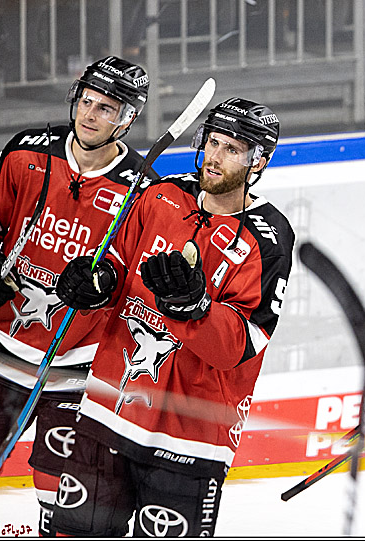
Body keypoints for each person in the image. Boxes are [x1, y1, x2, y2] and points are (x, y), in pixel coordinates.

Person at [49, 97, 294, 536]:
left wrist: (196, 310)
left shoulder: (267, 238)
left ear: (260, 161)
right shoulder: (163, 195)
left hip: (191, 436)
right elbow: (116, 263)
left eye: (232, 150)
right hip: (108, 412)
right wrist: (96, 282)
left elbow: (242, 345)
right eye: (213, 143)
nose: (215, 158)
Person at [0, 56, 153, 536]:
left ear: (126, 118)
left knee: (65, 502)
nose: (89, 114)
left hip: (81, 367)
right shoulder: (28, 152)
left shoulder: (144, 190)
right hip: (3, 350)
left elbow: (141, 276)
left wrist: (104, 285)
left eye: (105, 108)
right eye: (85, 100)